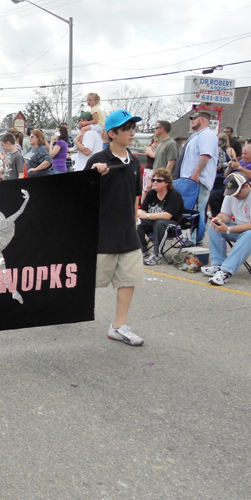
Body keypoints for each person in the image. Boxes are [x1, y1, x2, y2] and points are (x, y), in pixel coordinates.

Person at [86, 109, 144, 346]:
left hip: (128, 233)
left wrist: (134, 220)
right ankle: (53, 306)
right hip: (101, 233)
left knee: (128, 279)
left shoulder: (135, 161)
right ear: (112, 133)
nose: (131, 132)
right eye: (126, 128)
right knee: (88, 280)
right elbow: (82, 195)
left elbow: (136, 197)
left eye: (133, 128)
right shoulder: (97, 160)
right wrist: (94, 174)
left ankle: (118, 327)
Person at [201, 172, 251, 286]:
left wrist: (229, 230)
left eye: (237, 192)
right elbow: (225, 214)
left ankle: (226, 271)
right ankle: (218, 264)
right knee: (214, 228)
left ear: (247, 185)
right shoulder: (231, 194)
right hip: (246, 229)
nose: (235, 195)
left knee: (249, 234)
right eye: (232, 193)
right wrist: (218, 220)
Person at [176, 110, 217, 245]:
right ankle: (190, 238)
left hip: (197, 181)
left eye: (194, 118)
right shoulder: (195, 136)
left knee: (193, 212)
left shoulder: (207, 135)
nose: (191, 120)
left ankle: (190, 240)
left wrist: (196, 174)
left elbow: (205, 155)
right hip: (188, 180)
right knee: (188, 211)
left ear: (202, 119)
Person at [137, 168, 184, 265]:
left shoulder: (174, 195)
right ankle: (143, 251)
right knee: (139, 221)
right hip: (154, 222)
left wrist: (147, 215)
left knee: (160, 223)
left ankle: (157, 254)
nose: (155, 182)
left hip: (173, 224)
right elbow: (143, 209)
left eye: (159, 180)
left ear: (167, 183)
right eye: (153, 180)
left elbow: (167, 215)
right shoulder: (151, 193)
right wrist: (140, 214)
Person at [209, 143, 251, 217]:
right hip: (231, 187)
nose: (243, 156)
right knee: (213, 197)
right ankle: (219, 218)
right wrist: (230, 167)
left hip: (247, 190)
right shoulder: (241, 163)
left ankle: (224, 218)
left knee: (216, 197)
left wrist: (239, 168)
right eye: (242, 154)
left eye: (246, 154)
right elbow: (226, 175)